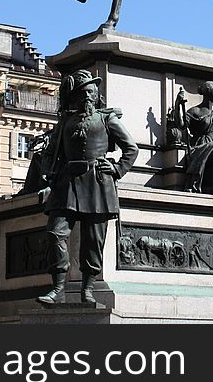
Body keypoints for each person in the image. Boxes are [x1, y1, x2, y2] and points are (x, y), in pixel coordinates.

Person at [36, 70, 139, 305]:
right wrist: (47, 176)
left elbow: (131, 148)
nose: (89, 97)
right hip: (66, 183)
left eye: (92, 92)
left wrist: (116, 169)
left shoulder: (107, 119)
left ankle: (87, 290)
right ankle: (58, 288)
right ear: (76, 96)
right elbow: (51, 152)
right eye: (84, 92)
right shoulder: (65, 122)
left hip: (97, 184)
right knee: (55, 233)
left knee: (93, 241)